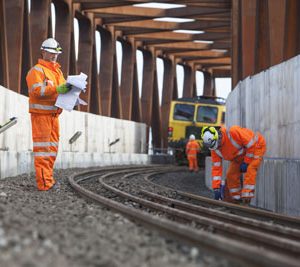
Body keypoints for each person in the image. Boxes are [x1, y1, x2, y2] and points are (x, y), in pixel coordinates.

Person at [26, 38, 70, 191]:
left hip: (54, 117)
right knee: (43, 152)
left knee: (51, 151)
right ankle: (44, 184)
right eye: (51, 53)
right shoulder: (36, 71)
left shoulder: (57, 71)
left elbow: (62, 89)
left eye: (56, 54)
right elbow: (37, 91)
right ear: (43, 52)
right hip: (41, 117)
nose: (53, 56)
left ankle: (48, 181)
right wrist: (57, 90)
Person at [201, 125, 266, 204]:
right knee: (231, 175)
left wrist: (246, 162)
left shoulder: (233, 132)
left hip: (257, 146)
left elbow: (251, 145)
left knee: (250, 168)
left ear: (218, 137)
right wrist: (216, 188)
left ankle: (247, 197)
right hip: (241, 155)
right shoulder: (214, 149)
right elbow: (216, 169)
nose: (216, 148)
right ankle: (236, 198)